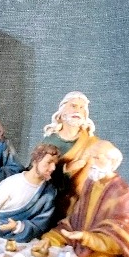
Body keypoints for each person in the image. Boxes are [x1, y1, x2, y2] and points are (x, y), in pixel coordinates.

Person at [41, 91, 98, 219]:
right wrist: (66, 169)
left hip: (85, 200)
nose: (77, 110)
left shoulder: (92, 143)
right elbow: (37, 172)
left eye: (81, 107)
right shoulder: (50, 141)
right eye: (73, 106)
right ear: (62, 111)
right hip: (54, 199)